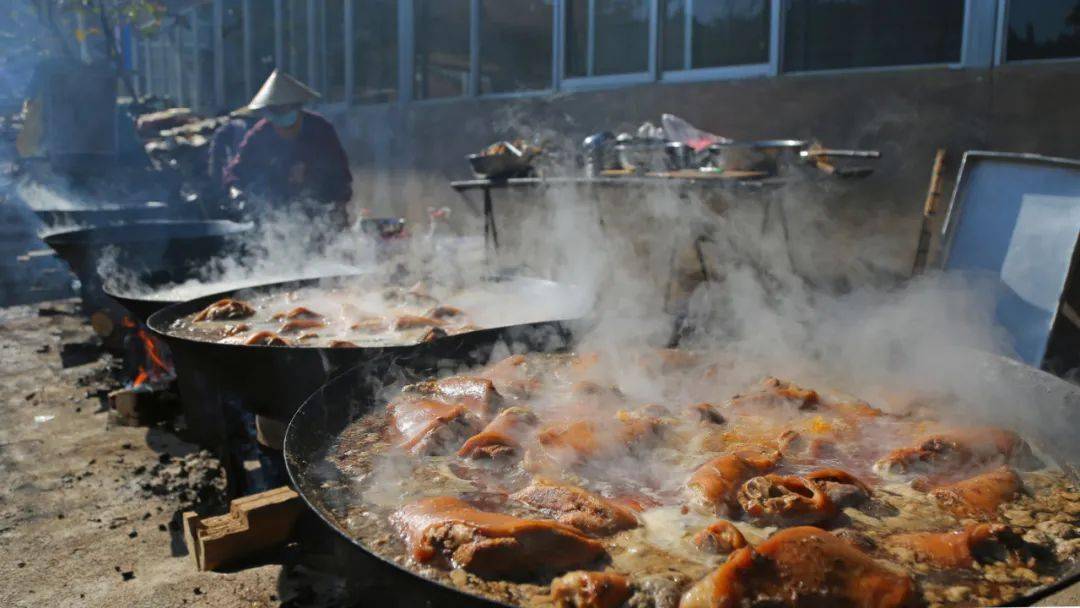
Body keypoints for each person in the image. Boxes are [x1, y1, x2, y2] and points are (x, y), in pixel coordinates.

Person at [223, 69, 353, 225]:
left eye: (283, 108)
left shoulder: (320, 129)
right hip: (280, 212)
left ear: (296, 107)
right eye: (274, 109)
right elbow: (237, 170)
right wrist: (235, 189)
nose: (278, 114)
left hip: (322, 207)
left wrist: (340, 205)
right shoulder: (261, 133)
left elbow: (340, 172)